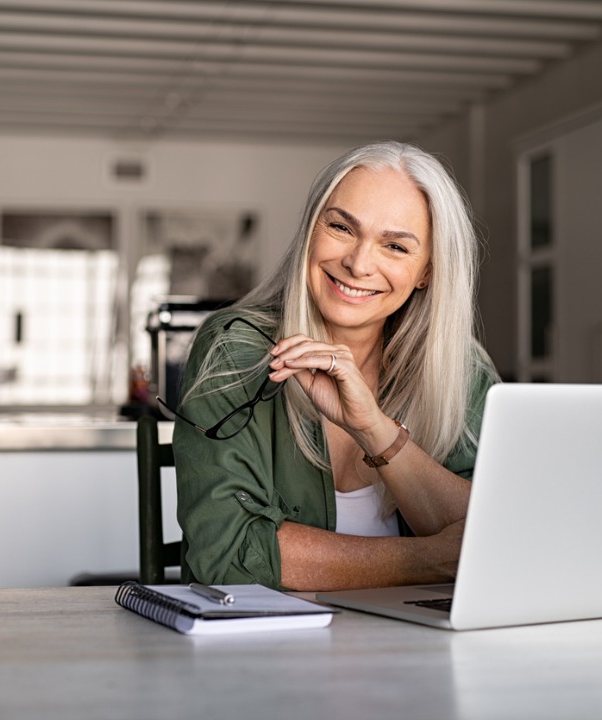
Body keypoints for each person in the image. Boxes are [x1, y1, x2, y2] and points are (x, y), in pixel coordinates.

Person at [166, 141, 499, 591]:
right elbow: (227, 555)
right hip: (261, 651)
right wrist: (428, 559)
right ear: (310, 230)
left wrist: (375, 430)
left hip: (421, 649)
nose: (358, 263)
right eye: (342, 227)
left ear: (427, 272)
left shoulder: (460, 369)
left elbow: (499, 539)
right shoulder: (237, 347)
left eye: (396, 246)